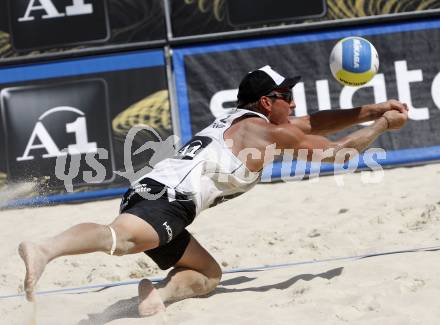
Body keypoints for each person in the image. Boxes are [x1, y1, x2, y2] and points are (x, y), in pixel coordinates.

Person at [19, 65, 409, 316]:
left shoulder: (248, 121)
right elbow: (337, 156)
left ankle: (158, 295)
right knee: (120, 239)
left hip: (164, 198)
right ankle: (45, 249)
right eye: (285, 96)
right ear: (266, 101)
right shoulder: (262, 129)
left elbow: (314, 123)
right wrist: (381, 128)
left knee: (207, 274)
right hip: (167, 200)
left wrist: (371, 109)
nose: (292, 102)